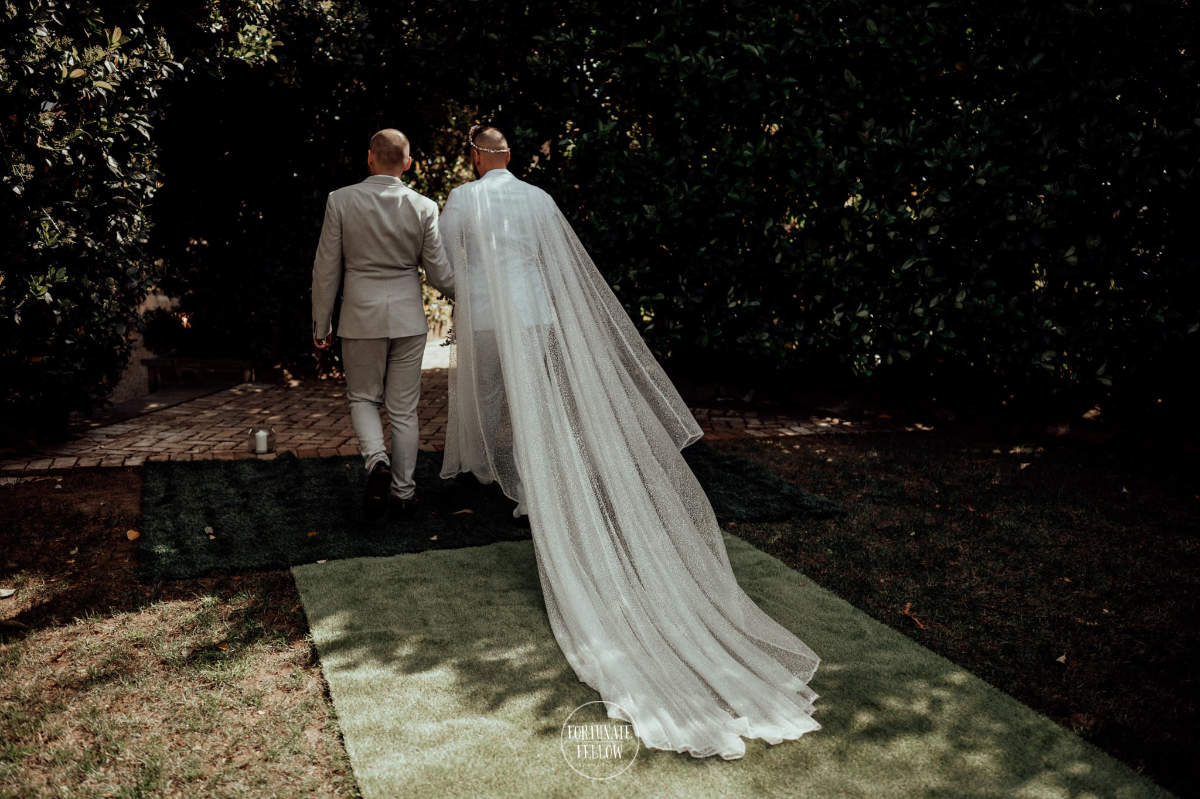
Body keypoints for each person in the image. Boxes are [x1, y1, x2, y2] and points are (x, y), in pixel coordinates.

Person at [439, 125, 820, 759]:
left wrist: (471, 290)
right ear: (511, 157)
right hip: (534, 309)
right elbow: (557, 265)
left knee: (493, 404)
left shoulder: (460, 200)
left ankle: (509, 479)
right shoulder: (538, 200)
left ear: (478, 158)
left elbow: (453, 266)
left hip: (485, 312)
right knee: (541, 405)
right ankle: (534, 485)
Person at [312, 128, 454, 520]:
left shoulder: (340, 200)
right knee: (405, 409)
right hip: (408, 318)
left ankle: (376, 462)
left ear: (370, 158)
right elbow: (440, 274)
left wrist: (321, 323)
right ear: (408, 164)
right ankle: (405, 494)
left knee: (363, 398)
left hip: (359, 315)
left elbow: (326, 268)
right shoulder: (424, 206)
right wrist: (474, 296)